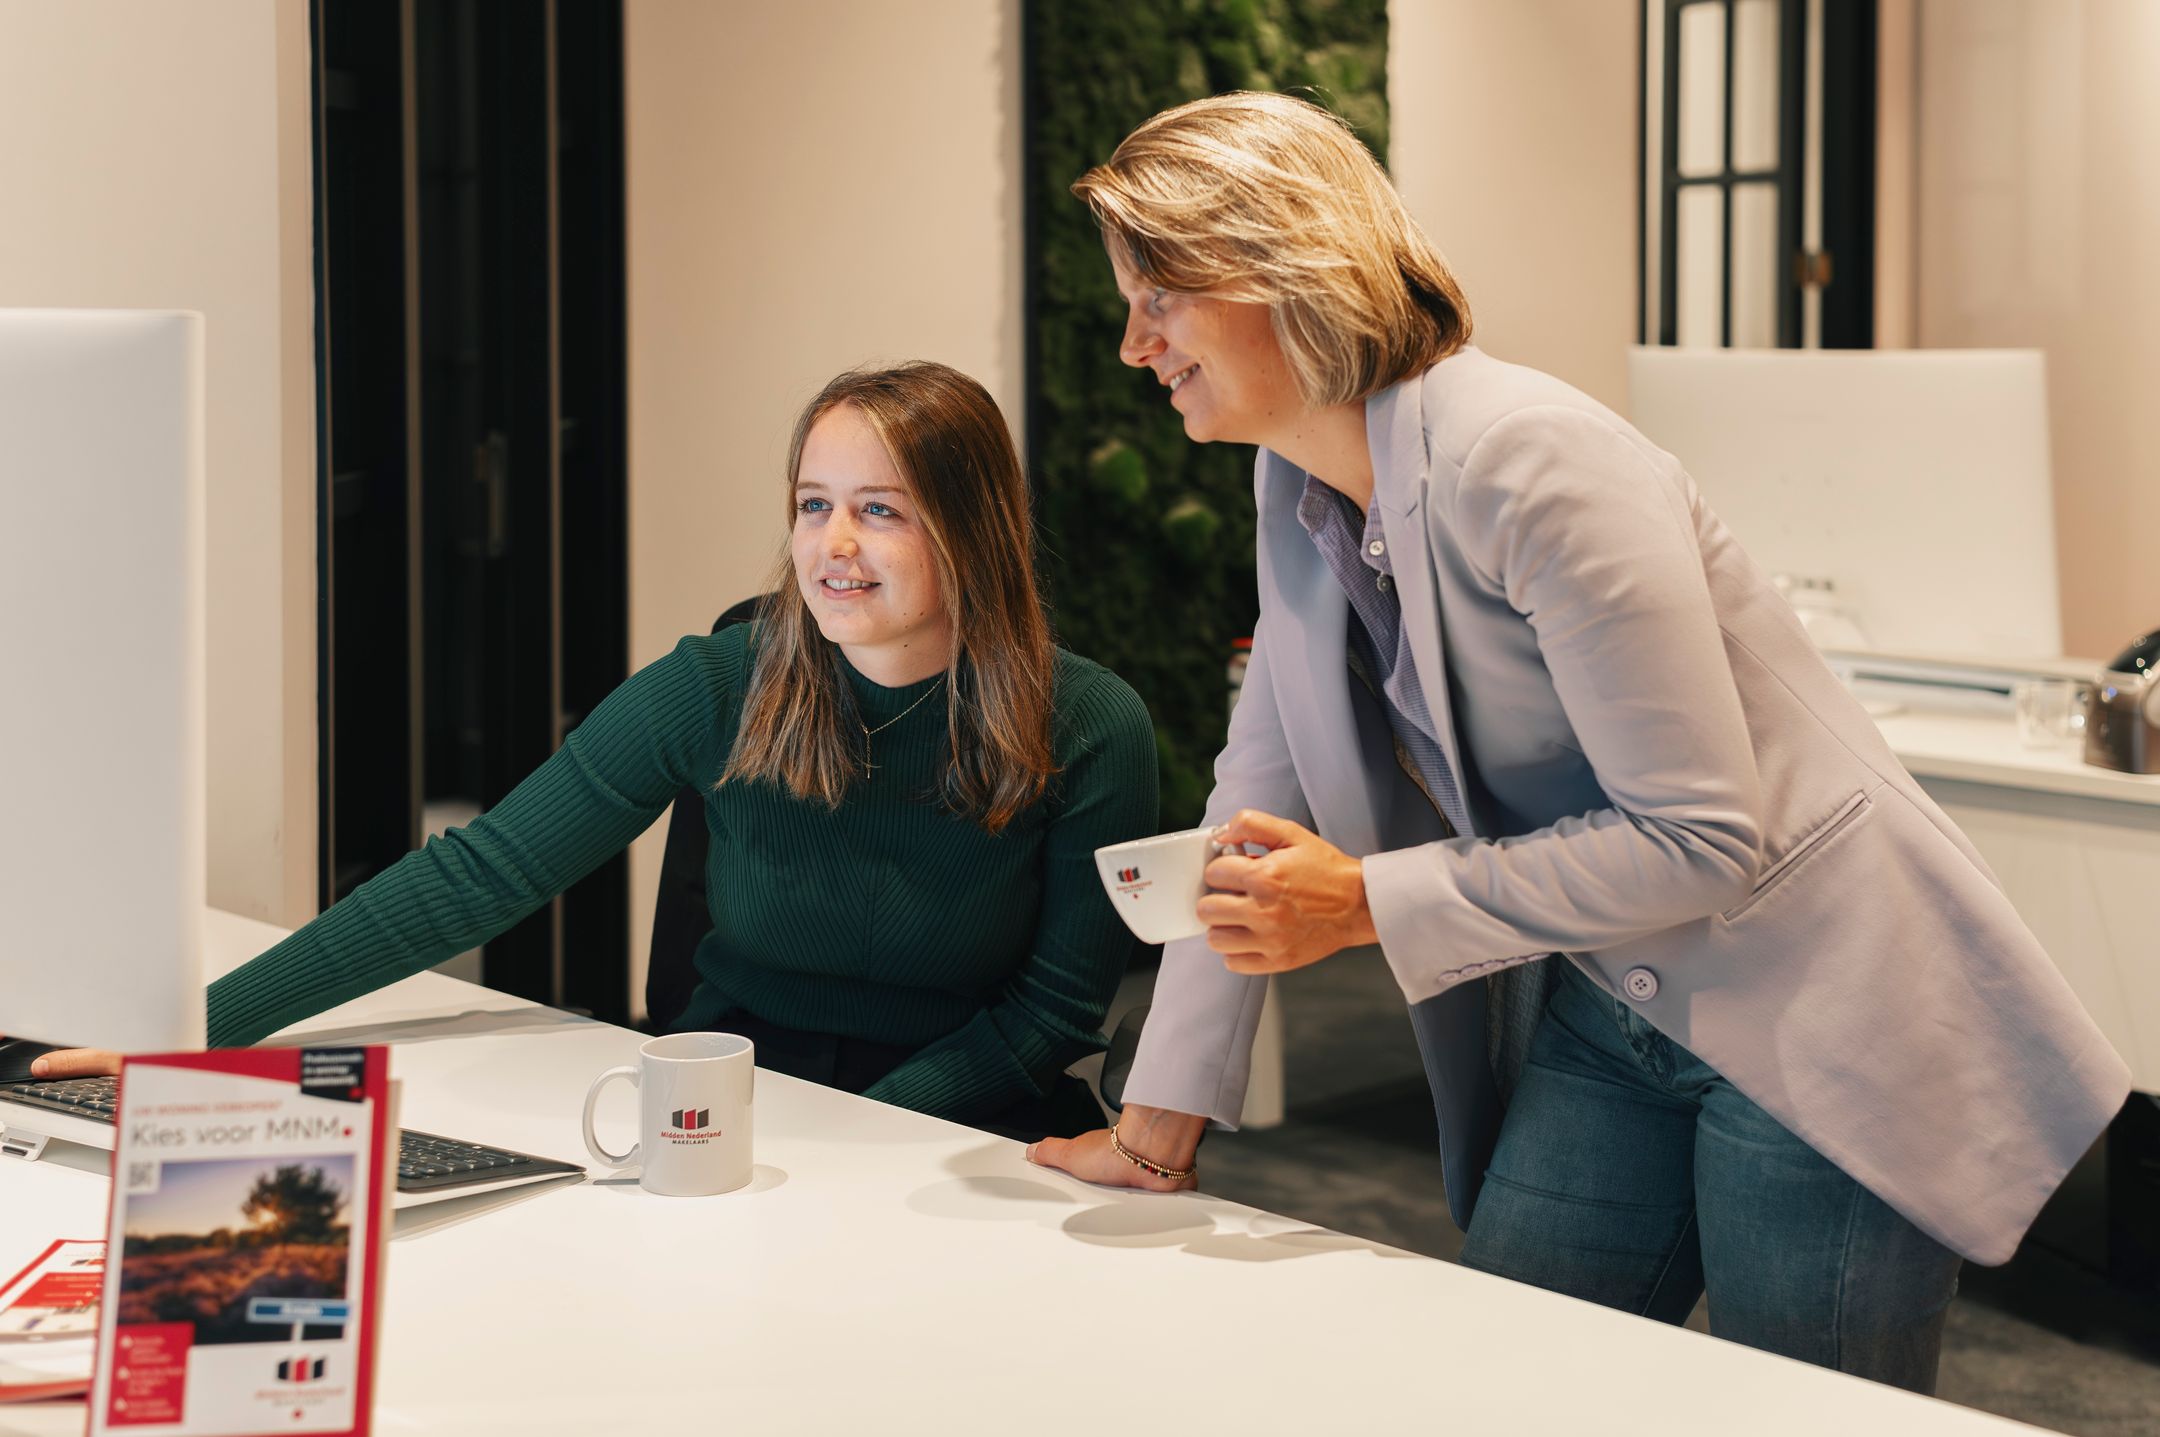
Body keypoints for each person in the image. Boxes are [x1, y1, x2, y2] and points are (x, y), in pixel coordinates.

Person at [1026, 92, 2130, 1391]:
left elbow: (1700, 836)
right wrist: (1156, 1129)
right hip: (1609, 1003)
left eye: (1157, 294)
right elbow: (1254, 791)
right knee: (1501, 1388)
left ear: (1279, 267)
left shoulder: (1531, 458)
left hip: (1821, 1003)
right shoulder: (1298, 482)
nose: (1131, 342)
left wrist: (1367, 902)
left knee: (1807, 1417)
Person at [36, 361, 1158, 1142]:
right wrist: (195, 1034)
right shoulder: (722, 681)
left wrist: (860, 1128)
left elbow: (1051, 1017)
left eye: (884, 510)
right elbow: (482, 871)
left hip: (961, 1132)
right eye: (813, 505)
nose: (836, 546)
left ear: (975, 529)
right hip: (720, 1114)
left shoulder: (1088, 723)